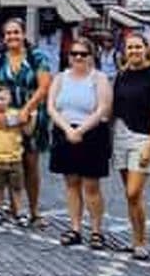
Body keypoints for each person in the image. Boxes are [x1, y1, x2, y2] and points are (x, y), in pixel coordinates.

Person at [47, 36, 113, 249]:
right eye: (74, 54)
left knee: (91, 185)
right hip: (64, 131)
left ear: (91, 57)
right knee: (71, 183)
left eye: (83, 54)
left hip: (92, 134)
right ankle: (75, 227)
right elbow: (51, 107)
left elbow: (102, 108)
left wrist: (81, 130)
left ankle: (96, 230)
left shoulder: (99, 78)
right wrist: (67, 129)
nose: (78, 58)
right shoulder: (60, 78)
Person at [0, 19, 52, 227]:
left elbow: (44, 86)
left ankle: (33, 210)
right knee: (3, 160)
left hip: (30, 116)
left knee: (30, 163)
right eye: (8, 33)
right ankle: (10, 207)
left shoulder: (36, 57)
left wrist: (27, 109)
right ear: (4, 37)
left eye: (16, 32)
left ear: (23, 34)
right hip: (4, 116)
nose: (12, 37)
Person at [112, 33, 150, 259]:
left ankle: (142, 240)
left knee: (134, 191)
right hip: (121, 135)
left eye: (138, 47)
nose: (134, 51)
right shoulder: (122, 75)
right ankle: (136, 240)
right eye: (130, 47)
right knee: (129, 195)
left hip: (144, 138)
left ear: (146, 48)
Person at [0, 82, 30, 225]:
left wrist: (28, 116)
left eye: (2, 99)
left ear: (9, 99)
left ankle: (19, 211)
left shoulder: (15, 114)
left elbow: (26, 129)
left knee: (17, 187)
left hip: (15, 158)